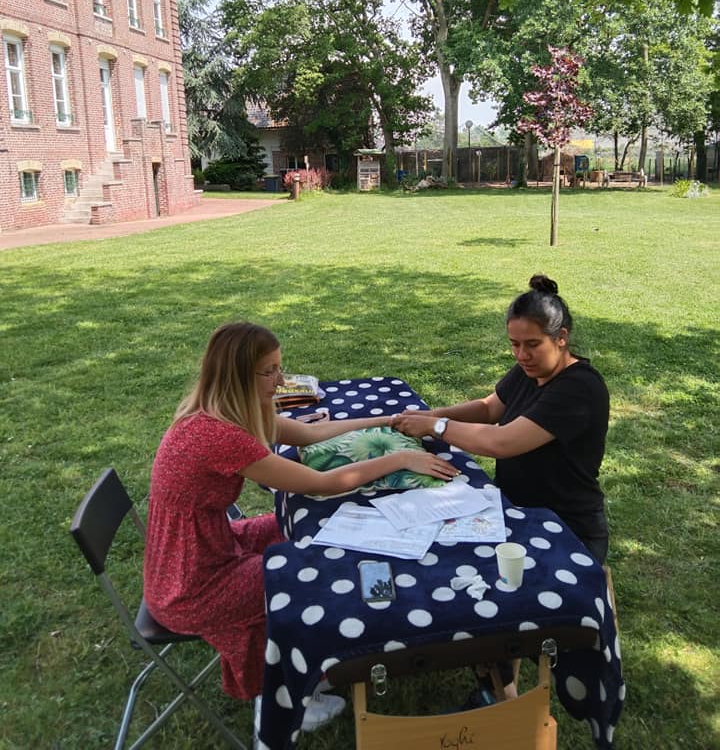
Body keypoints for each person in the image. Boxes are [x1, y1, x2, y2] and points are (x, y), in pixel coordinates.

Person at [143, 321, 456, 729]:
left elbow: (311, 435)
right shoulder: (220, 435)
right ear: (239, 375)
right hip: (191, 585)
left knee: (294, 529)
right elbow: (325, 484)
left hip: (203, 551)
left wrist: (386, 421)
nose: (281, 381)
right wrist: (398, 458)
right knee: (312, 574)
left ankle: (313, 663)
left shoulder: (227, 409)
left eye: (280, 368)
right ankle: (287, 693)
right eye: (269, 372)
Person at [391, 275, 609, 563]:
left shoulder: (578, 388)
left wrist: (436, 426)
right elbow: (488, 408)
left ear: (562, 337)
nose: (521, 355)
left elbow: (502, 442)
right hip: (516, 509)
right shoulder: (532, 368)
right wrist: (432, 414)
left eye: (532, 344)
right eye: (514, 344)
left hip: (566, 525)